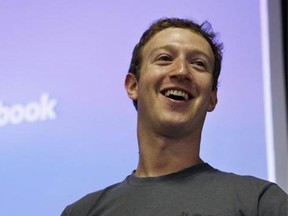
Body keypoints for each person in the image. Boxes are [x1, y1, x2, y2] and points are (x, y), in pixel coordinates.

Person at [61, 18, 288, 216]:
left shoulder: (260, 202)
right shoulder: (82, 212)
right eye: (164, 58)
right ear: (132, 85)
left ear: (212, 98)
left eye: (198, 63)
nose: (181, 71)